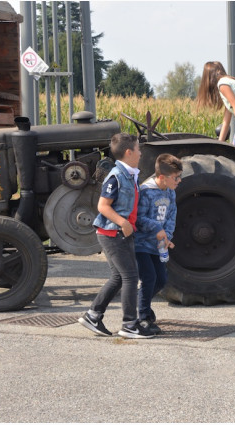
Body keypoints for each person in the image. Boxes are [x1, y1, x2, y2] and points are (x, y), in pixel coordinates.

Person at [78, 133, 155, 339]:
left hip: (118, 233)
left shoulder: (130, 174)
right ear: (129, 152)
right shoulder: (116, 176)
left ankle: (93, 315)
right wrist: (123, 223)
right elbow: (103, 206)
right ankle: (129, 324)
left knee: (119, 277)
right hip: (113, 233)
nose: (140, 153)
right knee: (130, 277)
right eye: (138, 149)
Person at [134, 154, 183, 335]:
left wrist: (167, 236)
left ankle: (142, 302)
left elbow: (171, 216)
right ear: (162, 177)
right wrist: (156, 228)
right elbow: (139, 218)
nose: (178, 181)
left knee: (161, 280)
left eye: (179, 177)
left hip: (158, 245)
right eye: (175, 177)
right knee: (148, 278)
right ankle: (143, 317)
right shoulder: (146, 191)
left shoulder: (170, 192)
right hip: (141, 244)